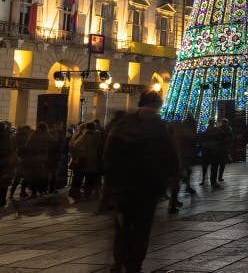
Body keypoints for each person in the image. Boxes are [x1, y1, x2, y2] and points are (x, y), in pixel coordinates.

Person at [104, 91, 178, 273]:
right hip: (148, 186)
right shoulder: (160, 126)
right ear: (158, 105)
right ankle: (134, 265)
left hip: (123, 186)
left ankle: (118, 262)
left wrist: (111, 182)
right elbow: (171, 156)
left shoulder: (122, 124)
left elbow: (108, 154)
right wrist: (170, 178)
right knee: (141, 228)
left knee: (122, 227)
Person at [71, 122, 102, 198]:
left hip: (83, 160)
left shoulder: (83, 136)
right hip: (93, 160)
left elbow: (75, 145)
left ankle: (76, 193)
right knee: (90, 177)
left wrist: (75, 156)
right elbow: (100, 147)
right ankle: (87, 193)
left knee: (79, 176)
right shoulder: (98, 136)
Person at [199, 118, 222, 189]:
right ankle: (213, 182)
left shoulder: (206, 131)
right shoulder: (216, 130)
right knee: (214, 167)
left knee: (205, 167)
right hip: (213, 151)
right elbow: (220, 138)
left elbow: (202, 140)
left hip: (206, 151)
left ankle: (203, 180)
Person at [0, 122, 15, 206]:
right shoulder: (8, 136)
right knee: (4, 181)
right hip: (5, 162)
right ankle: (2, 199)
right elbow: (12, 149)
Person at [217, 118, 234, 182]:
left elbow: (231, 137)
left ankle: (220, 177)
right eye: (223, 122)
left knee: (222, 164)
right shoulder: (224, 129)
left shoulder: (227, 129)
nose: (224, 123)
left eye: (225, 122)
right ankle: (219, 177)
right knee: (221, 164)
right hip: (221, 148)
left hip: (223, 148)